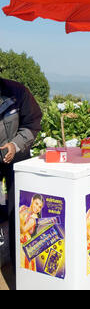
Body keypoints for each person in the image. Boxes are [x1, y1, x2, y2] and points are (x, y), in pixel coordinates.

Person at [0, 77, 42, 266]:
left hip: (15, 157)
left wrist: (15, 145)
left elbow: (32, 124)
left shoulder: (18, 92)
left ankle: (20, 264)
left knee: (18, 211)